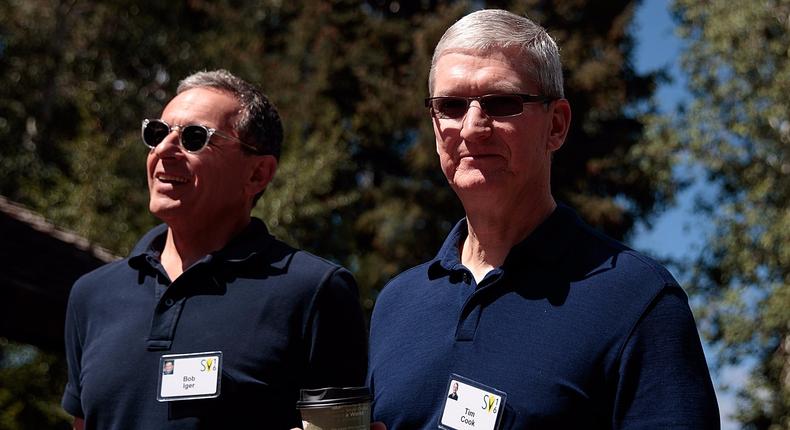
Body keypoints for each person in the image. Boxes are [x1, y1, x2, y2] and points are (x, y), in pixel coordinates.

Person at [367, 9, 720, 429]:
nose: (472, 127)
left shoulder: (637, 301)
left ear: (557, 125)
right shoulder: (396, 304)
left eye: (502, 104)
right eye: (451, 106)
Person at [61, 69, 368, 429]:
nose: (163, 149)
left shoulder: (314, 292)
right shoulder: (92, 295)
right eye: (157, 133)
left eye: (193, 138)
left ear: (257, 174)